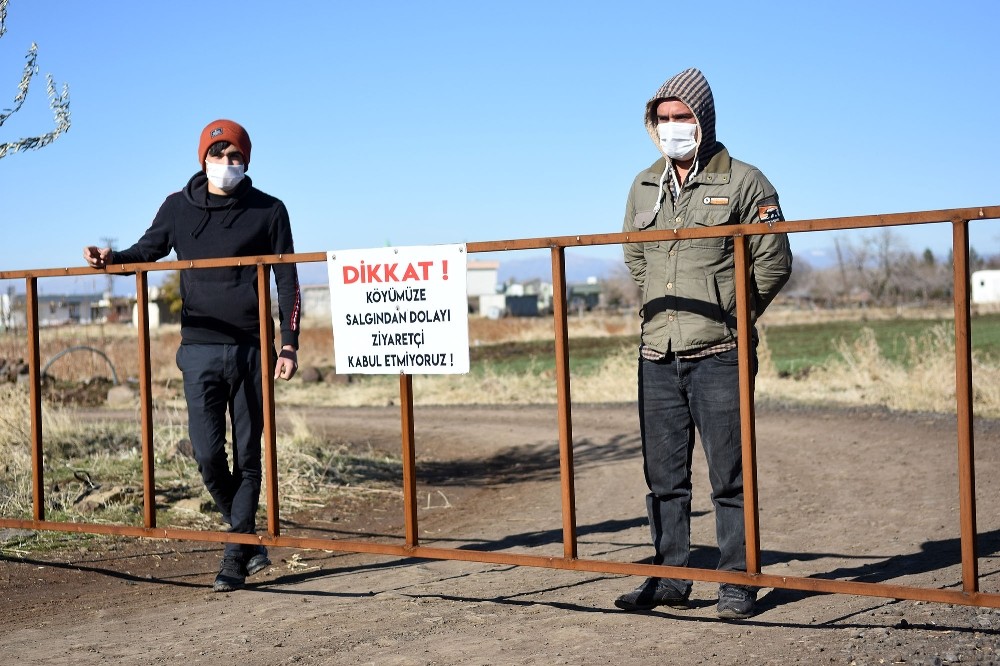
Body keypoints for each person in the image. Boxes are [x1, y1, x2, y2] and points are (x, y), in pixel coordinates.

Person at [84, 119, 301, 593]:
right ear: (202, 158)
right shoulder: (178, 208)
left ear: (246, 160)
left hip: (251, 350)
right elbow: (148, 250)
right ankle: (249, 542)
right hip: (199, 349)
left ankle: (233, 557)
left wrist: (288, 343)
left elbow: (287, 281)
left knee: (248, 455)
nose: (226, 164)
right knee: (206, 454)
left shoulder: (269, 210)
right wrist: (111, 259)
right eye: (217, 154)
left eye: (234, 156)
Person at [615, 68, 792, 619]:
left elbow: (773, 260)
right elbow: (634, 255)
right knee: (663, 478)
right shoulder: (644, 182)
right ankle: (672, 575)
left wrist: (732, 314)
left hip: (720, 353)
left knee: (729, 476)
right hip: (656, 353)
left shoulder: (744, 182)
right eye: (664, 119)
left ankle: (738, 579)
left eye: (682, 117)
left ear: (704, 120)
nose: (673, 127)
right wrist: (658, 312)